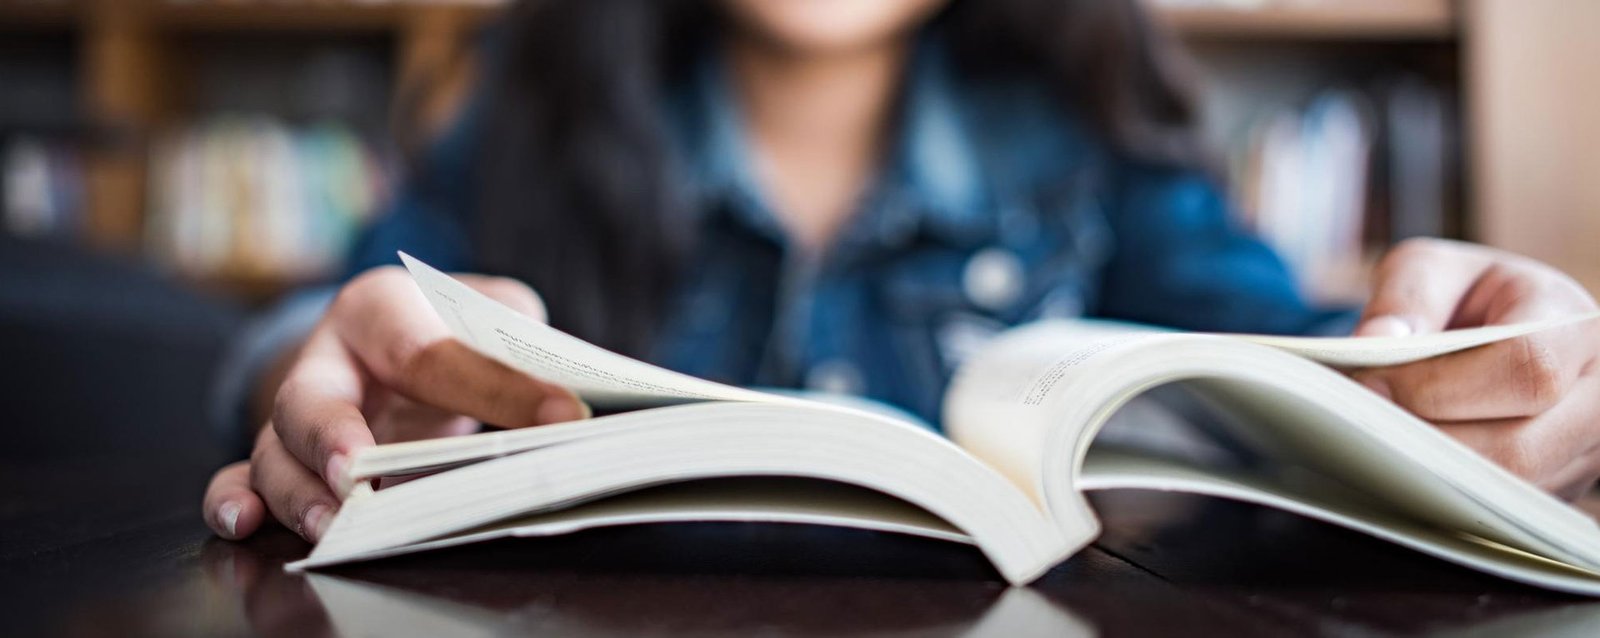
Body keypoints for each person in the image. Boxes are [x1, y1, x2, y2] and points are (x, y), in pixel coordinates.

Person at [203, 0, 1600, 544]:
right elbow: (324, 325)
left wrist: (1465, 379)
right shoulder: (530, 98)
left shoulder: (1088, 133)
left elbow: (1290, 352)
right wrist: (322, 376)